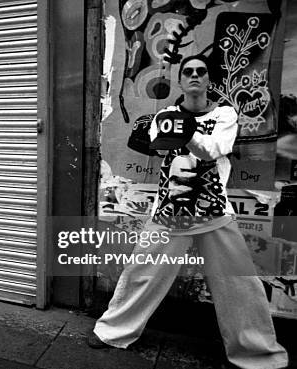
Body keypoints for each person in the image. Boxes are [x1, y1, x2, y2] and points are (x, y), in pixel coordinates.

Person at [87, 55, 289, 369]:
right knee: (141, 274)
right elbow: (161, 144)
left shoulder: (225, 114)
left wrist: (185, 131)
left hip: (214, 212)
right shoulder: (165, 114)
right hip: (170, 210)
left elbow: (213, 150)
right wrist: (181, 130)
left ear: (209, 80)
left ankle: (258, 352)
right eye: (188, 72)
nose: (194, 75)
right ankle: (113, 330)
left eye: (201, 71)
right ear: (181, 80)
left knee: (240, 285)